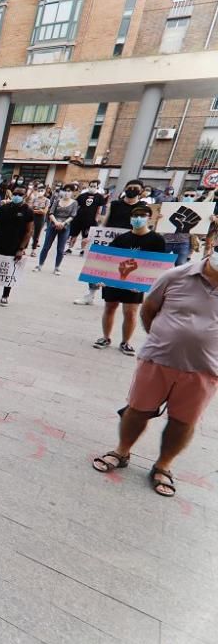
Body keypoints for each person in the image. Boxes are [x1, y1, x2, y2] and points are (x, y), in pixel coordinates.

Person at [91, 249, 218, 497]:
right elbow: (148, 309)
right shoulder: (175, 276)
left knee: (183, 421)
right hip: (158, 360)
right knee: (136, 410)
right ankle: (122, 451)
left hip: (205, 369)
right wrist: (163, 338)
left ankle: (163, 465)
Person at [92, 207, 168, 356]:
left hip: (135, 283)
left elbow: (158, 265)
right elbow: (108, 258)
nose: (138, 218)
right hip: (116, 278)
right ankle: (105, 338)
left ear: (149, 218)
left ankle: (125, 342)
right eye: (135, 215)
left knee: (130, 311)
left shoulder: (157, 240)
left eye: (142, 215)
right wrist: (101, 277)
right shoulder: (122, 238)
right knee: (109, 307)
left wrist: (144, 285)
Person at [75, 179, 150, 305]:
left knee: (122, 269)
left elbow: (145, 226)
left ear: (141, 191)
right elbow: (105, 222)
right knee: (97, 266)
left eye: (135, 188)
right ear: (125, 189)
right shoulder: (115, 204)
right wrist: (94, 236)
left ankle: (115, 297)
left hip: (130, 242)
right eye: (129, 187)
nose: (132, 190)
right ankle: (90, 295)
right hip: (109, 239)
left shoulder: (142, 207)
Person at [34, 185, 77, 276]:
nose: (67, 193)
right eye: (65, 190)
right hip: (53, 225)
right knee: (46, 247)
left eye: (69, 191)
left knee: (60, 249)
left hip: (65, 227)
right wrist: (56, 222)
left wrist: (63, 223)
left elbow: (72, 216)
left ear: (72, 192)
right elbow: (51, 213)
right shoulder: (57, 201)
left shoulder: (74, 203)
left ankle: (57, 267)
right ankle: (40, 265)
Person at [67, 181, 105, 256]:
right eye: (91, 186)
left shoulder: (99, 197)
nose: (92, 187)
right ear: (89, 186)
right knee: (74, 235)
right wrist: (73, 215)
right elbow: (76, 205)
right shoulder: (82, 195)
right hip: (78, 218)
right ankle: (69, 249)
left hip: (90, 220)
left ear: (97, 187)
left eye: (94, 186)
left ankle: (82, 250)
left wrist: (97, 218)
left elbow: (99, 209)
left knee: (86, 236)